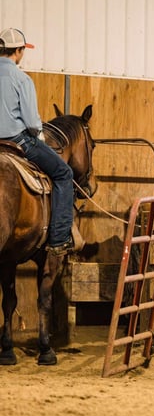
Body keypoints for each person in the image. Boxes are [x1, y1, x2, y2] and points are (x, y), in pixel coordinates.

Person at [0, 27, 74, 256]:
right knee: (64, 173)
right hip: (17, 141)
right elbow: (32, 123)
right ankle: (59, 238)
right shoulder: (22, 79)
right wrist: (39, 135)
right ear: (19, 51)